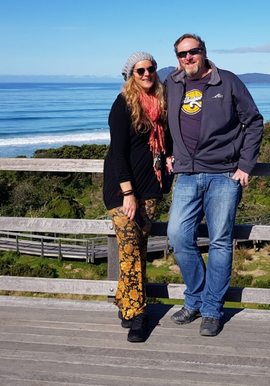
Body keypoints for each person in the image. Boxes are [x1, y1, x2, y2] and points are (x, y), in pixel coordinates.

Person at [165, 33, 263, 337]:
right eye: (182, 54)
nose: (188, 58)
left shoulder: (228, 82)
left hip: (223, 174)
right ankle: (195, 297)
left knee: (220, 242)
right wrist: (167, 151)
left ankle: (210, 310)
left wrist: (246, 165)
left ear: (204, 52)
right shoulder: (172, 82)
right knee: (178, 236)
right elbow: (162, 119)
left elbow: (255, 122)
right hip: (187, 174)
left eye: (193, 52)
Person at [103, 51, 170, 343]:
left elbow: (168, 141)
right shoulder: (122, 106)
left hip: (151, 188)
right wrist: (128, 192)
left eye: (151, 69)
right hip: (122, 190)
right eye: (140, 70)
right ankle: (139, 316)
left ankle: (125, 302)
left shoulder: (162, 104)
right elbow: (118, 153)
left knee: (139, 251)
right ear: (131, 75)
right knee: (129, 251)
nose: (146, 74)